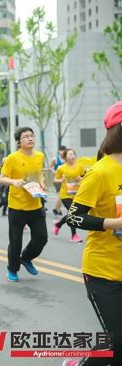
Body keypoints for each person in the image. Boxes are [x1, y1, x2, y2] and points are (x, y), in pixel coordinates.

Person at [65, 101, 122, 366]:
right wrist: (113, 223)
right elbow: (74, 216)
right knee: (117, 344)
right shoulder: (100, 172)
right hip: (104, 273)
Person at [0, 127, 48, 282]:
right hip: (17, 207)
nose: (30, 139)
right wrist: (13, 181)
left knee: (42, 238)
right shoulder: (12, 158)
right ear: (19, 141)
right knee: (15, 243)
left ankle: (26, 258)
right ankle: (12, 269)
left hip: (36, 204)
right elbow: (2, 178)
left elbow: (39, 173)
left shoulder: (40, 156)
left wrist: (42, 182)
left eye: (32, 136)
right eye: (26, 136)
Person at [53, 148, 85, 243]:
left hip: (76, 194)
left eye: (73, 154)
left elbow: (84, 177)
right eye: (70, 154)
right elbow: (55, 180)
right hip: (65, 195)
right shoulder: (61, 168)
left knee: (72, 213)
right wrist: (61, 181)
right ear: (65, 157)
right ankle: (73, 235)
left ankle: (58, 224)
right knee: (73, 213)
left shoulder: (80, 166)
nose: (72, 156)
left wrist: (81, 178)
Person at [50, 145, 67, 216]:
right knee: (60, 195)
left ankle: (57, 209)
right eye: (61, 150)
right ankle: (56, 209)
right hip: (57, 179)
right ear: (59, 151)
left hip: (65, 179)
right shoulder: (55, 159)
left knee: (63, 195)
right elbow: (50, 167)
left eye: (63, 150)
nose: (62, 152)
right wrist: (55, 172)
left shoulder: (67, 158)